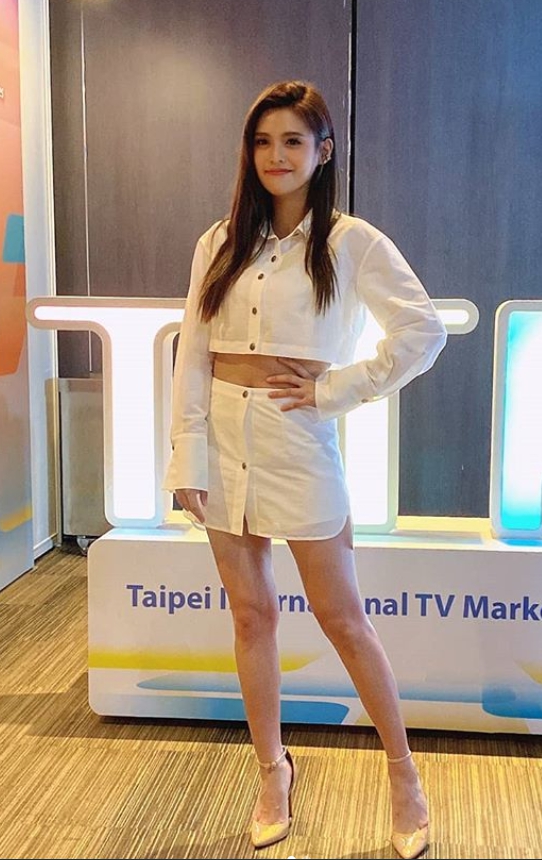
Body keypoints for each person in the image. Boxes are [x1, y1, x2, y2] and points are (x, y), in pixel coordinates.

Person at [164, 80, 447, 859]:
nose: (276, 156)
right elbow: (193, 354)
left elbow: (421, 331)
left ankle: (403, 776)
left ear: (323, 151)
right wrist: (186, 452)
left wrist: (333, 390)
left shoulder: (351, 242)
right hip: (221, 438)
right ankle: (271, 773)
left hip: (296, 439)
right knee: (250, 616)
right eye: (262, 141)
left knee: (342, 619)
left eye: (293, 141)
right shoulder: (218, 241)